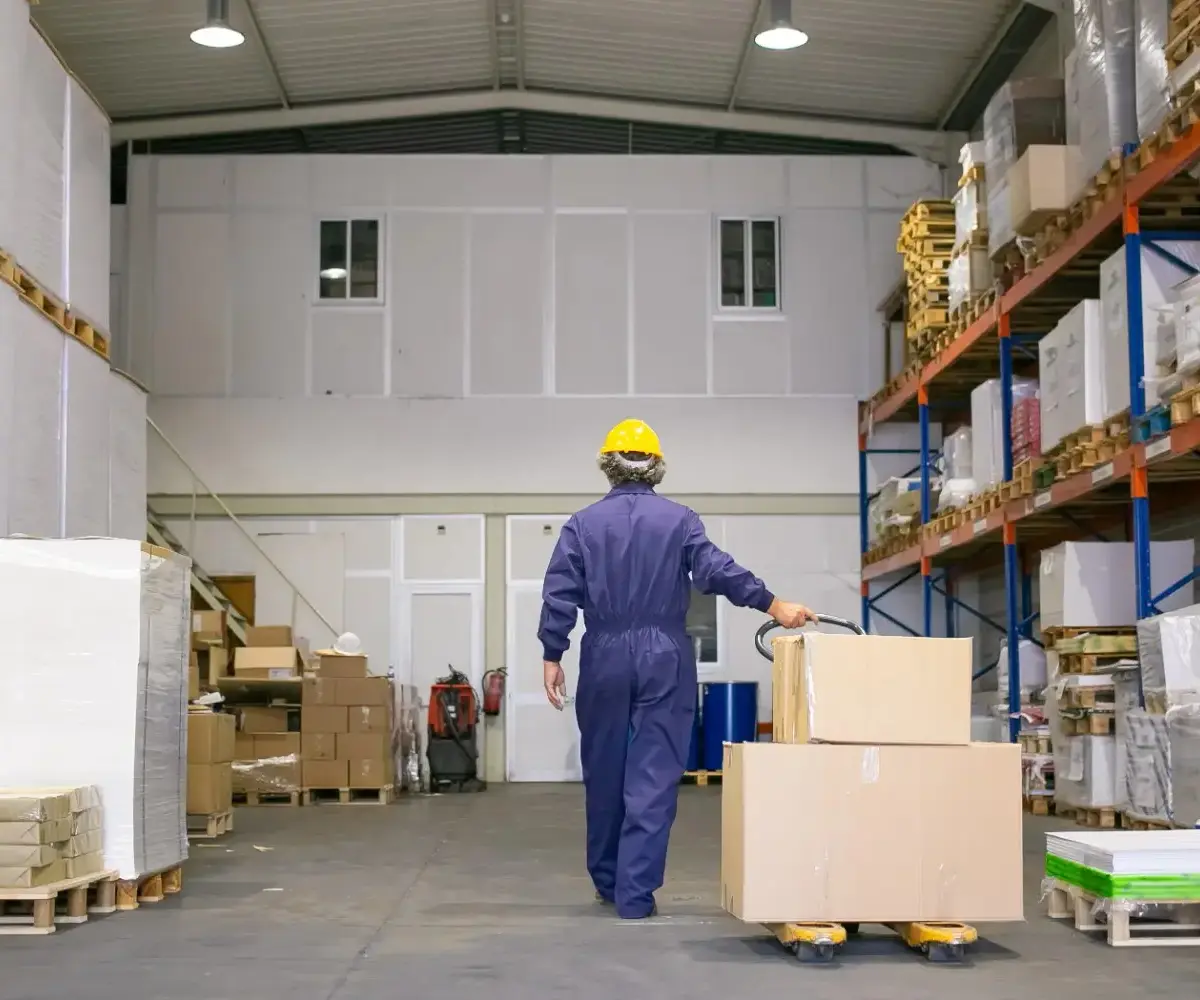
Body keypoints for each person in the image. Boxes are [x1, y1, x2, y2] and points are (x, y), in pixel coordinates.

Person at [537, 418, 815, 920]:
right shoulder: (681, 521)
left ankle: (607, 882)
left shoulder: (581, 526)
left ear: (608, 465)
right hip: (664, 653)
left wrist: (553, 654)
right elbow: (717, 570)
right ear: (656, 468)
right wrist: (773, 605)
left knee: (604, 771)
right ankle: (635, 896)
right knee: (653, 775)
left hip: (602, 653)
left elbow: (559, 594)